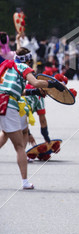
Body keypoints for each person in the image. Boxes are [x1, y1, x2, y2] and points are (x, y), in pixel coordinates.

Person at [0, 48, 65, 189]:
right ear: (29, 60)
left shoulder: (7, 66)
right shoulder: (24, 67)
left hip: (2, 102)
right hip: (8, 105)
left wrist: (33, 92)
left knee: (5, 133)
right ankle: (25, 182)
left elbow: (18, 90)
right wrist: (53, 84)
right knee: (19, 147)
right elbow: (35, 82)